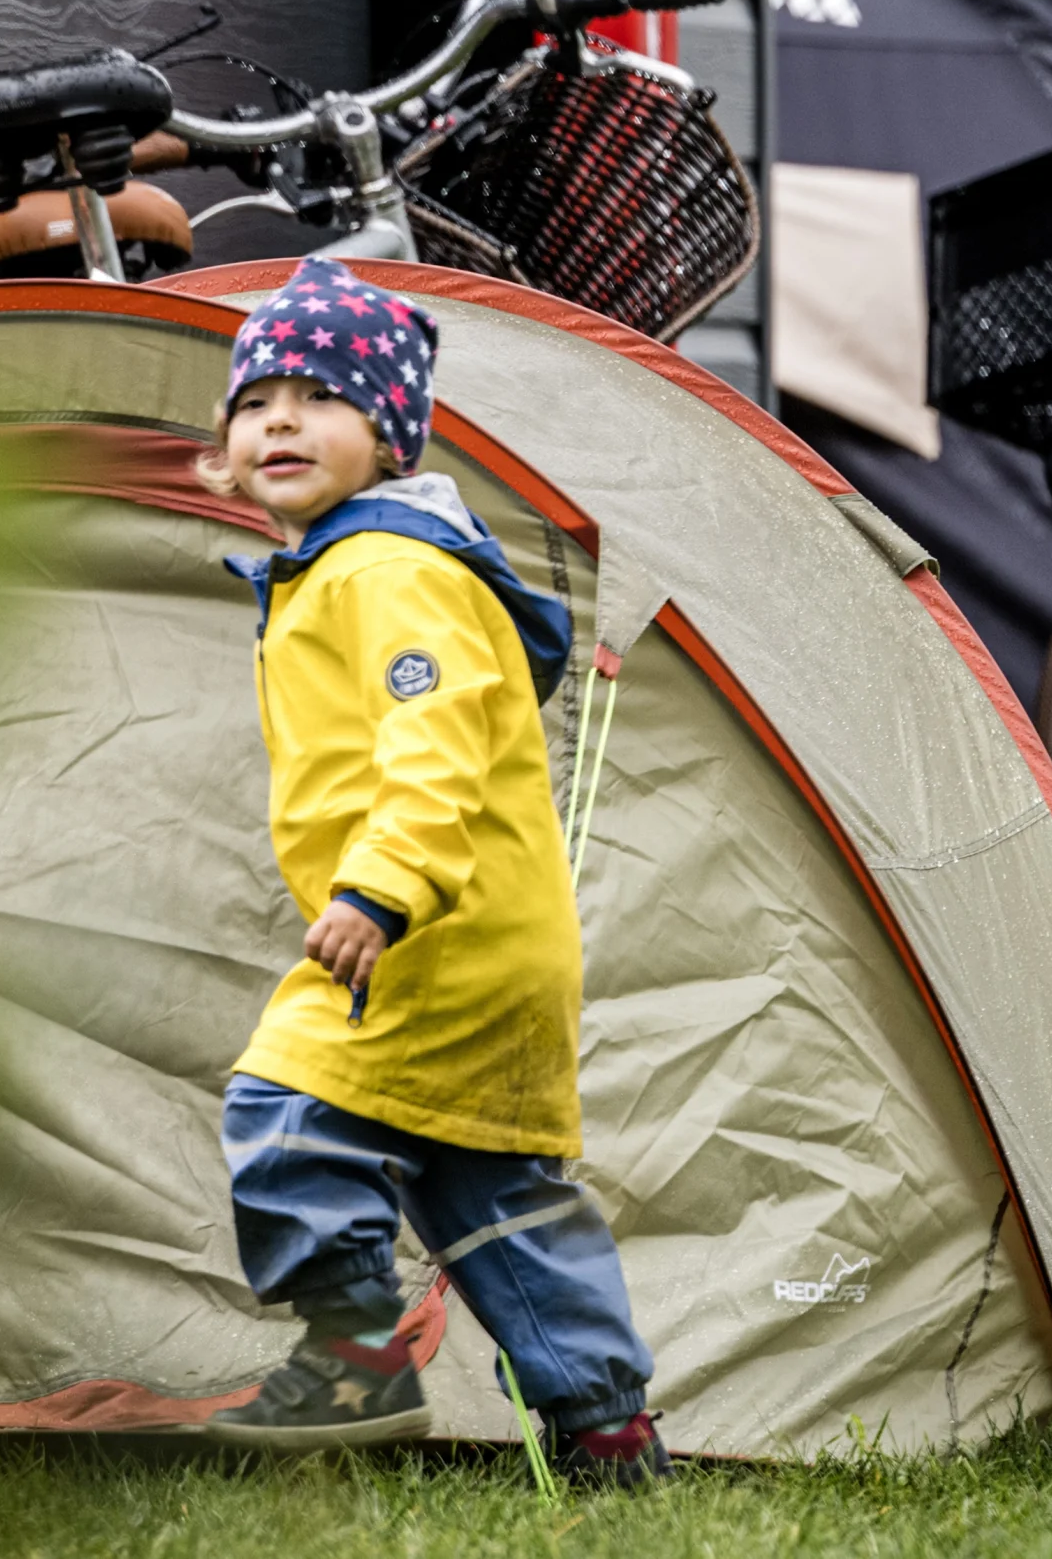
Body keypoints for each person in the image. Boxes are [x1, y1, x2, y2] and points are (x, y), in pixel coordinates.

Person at [195, 258, 669, 1484]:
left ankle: (355, 1348)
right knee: (498, 1206)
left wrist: (377, 890)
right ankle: (608, 1435)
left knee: (283, 1109)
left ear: (391, 439)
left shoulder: (388, 569)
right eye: (257, 403)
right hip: (502, 946)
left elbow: (434, 740)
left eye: (320, 397)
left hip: (429, 936)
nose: (282, 421)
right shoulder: (351, 566)